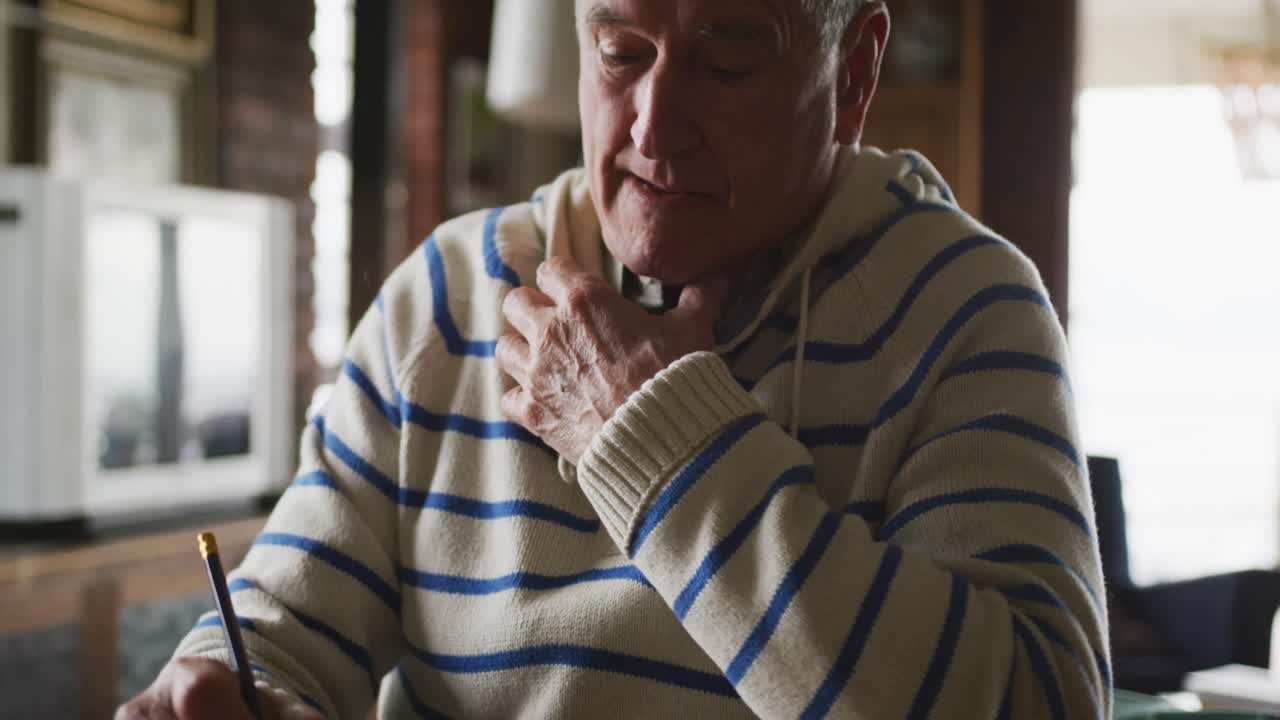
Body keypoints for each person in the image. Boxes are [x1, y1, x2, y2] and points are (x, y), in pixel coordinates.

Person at [119, 0, 1110, 717]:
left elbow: (1039, 702)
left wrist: (653, 433)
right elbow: (283, 627)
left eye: (728, 61)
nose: (650, 128)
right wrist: (227, 680)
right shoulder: (450, 290)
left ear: (851, 73)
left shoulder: (969, 307)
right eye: (617, 50)